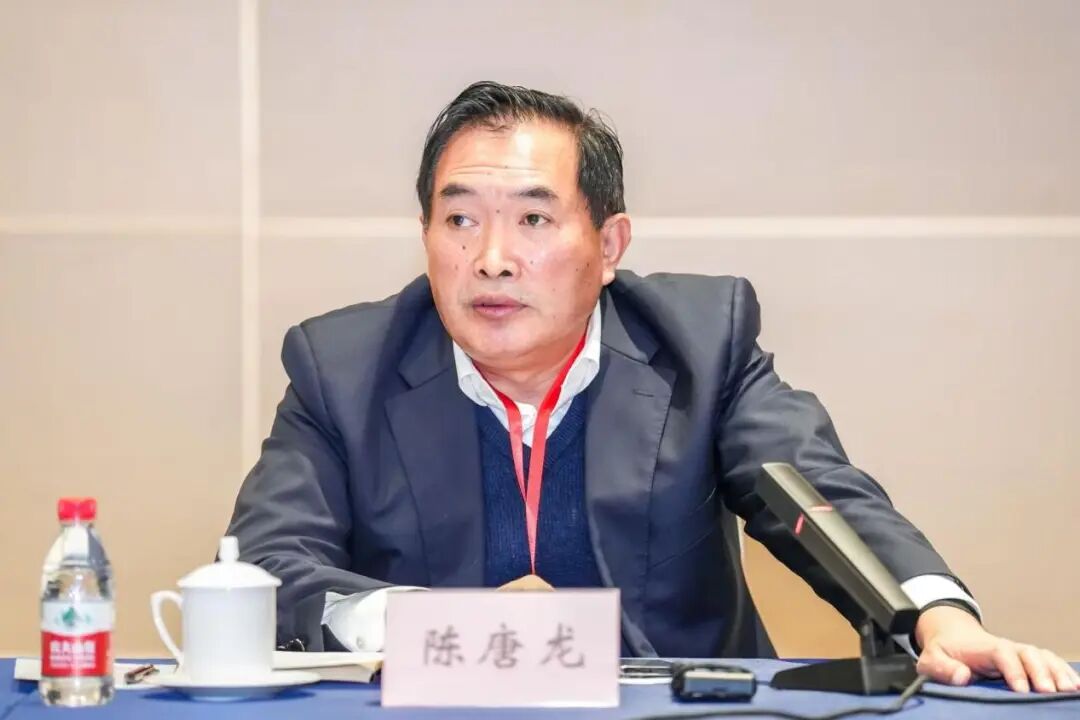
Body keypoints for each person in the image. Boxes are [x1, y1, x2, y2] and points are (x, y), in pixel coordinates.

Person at [228, 81, 1077, 693]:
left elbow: (818, 495)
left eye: (533, 219)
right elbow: (264, 567)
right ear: (425, 235)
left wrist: (936, 618)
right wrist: (440, 627)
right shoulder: (342, 368)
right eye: (460, 220)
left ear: (609, 245)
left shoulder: (699, 344)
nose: (491, 258)